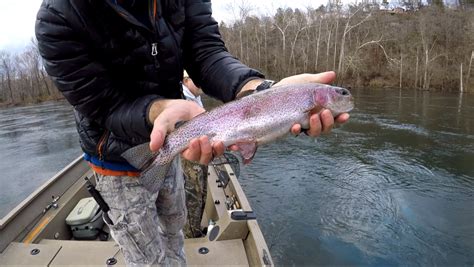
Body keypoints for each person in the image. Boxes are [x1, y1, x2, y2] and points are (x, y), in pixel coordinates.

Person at [35, 0, 350, 265]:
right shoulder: (58, 18)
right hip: (114, 156)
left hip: (178, 136)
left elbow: (206, 53)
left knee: (175, 228)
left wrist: (258, 90)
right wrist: (159, 112)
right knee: (145, 256)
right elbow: (104, 105)